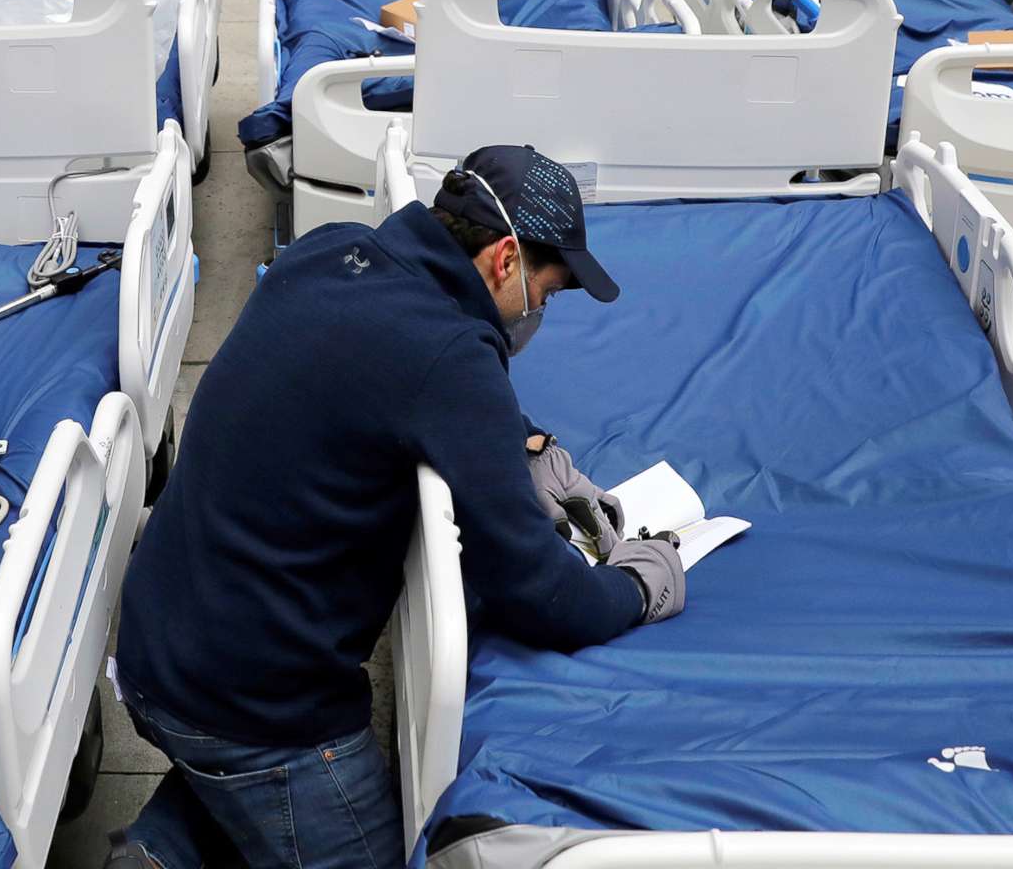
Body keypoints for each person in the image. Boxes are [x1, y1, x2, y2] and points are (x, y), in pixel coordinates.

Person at [106, 146, 686, 869]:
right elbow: (546, 594)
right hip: (257, 704)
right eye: (551, 289)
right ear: (506, 259)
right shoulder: (449, 358)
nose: (544, 311)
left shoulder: (334, 250)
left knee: (241, 784)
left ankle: (158, 851)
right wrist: (639, 582)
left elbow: (378, 373)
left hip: (155, 642)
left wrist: (522, 443)